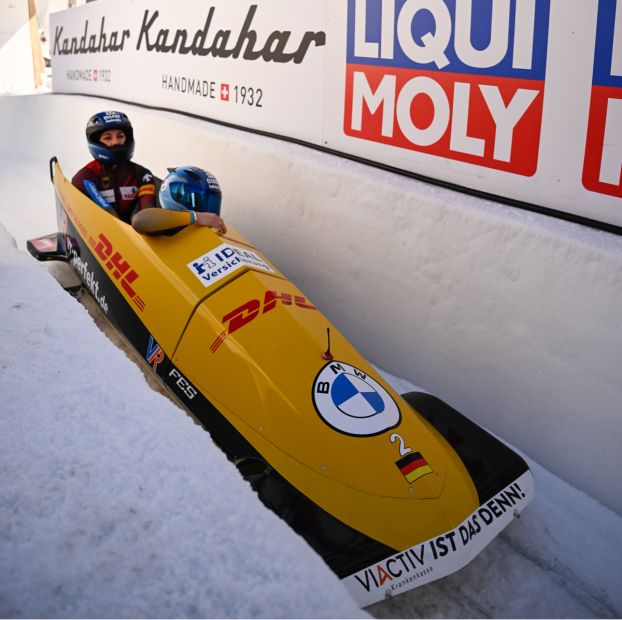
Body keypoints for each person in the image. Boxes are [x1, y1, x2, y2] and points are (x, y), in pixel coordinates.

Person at [72, 110, 156, 222]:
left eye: (120, 136)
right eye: (107, 138)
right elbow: (109, 215)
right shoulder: (85, 177)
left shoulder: (143, 175)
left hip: (133, 234)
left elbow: (148, 214)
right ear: (97, 142)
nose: (116, 142)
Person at [131, 165, 227, 235]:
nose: (209, 214)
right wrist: (196, 217)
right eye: (198, 200)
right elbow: (139, 221)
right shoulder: (164, 225)